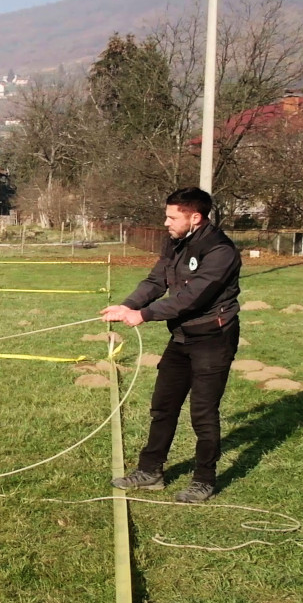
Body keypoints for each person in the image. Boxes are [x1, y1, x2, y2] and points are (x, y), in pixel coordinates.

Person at [101, 187, 241, 503]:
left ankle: (203, 480)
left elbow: (191, 299)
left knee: (203, 413)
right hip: (181, 337)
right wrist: (127, 306)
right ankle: (151, 472)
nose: (166, 222)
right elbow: (156, 281)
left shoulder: (221, 251)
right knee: (163, 406)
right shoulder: (176, 243)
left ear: (196, 217)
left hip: (213, 339)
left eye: (171, 216)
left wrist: (145, 315)